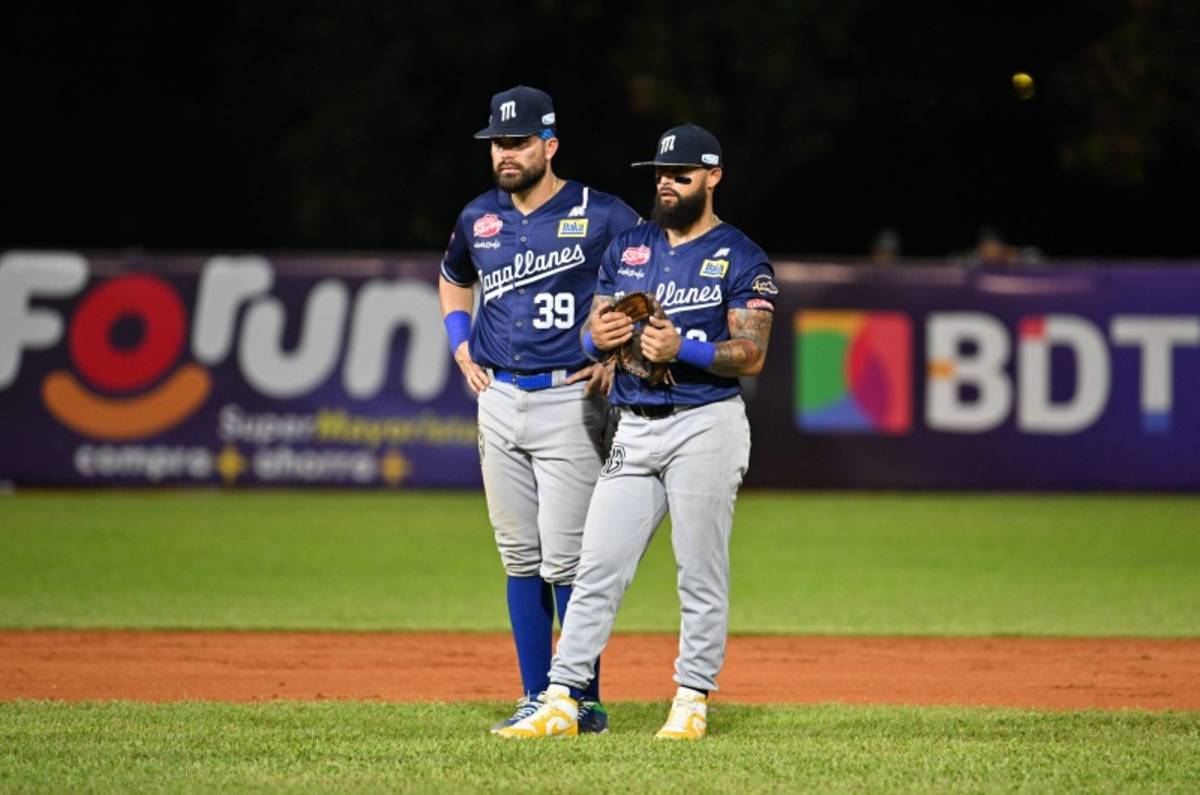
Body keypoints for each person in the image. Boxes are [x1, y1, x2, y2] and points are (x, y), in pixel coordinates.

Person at [496, 124, 778, 740]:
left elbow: (751, 353)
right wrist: (600, 339)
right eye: (660, 174)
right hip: (634, 423)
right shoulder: (629, 247)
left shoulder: (741, 254)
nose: (667, 184)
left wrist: (688, 347)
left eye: (680, 174)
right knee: (595, 566)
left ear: (713, 177)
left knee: (698, 569)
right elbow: (588, 334)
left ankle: (691, 699)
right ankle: (563, 698)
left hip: (706, 423)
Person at [438, 85, 640, 735]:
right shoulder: (477, 217)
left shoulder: (601, 213)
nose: (506, 153)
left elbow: (649, 272)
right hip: (497, 396)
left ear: (549, 146)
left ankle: (580, 698)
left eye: (519, 141)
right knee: (519, 554)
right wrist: (460, 344)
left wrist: (616, 352)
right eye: (498, 142)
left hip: (567, 397)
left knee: (568, 559)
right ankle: (536, 695)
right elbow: (451, 276)